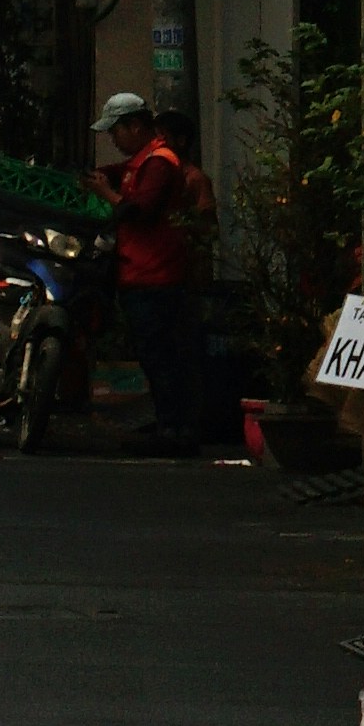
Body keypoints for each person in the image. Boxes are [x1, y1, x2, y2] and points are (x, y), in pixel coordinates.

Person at [98, 86, 211, 455]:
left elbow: (139, 211)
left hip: (156, 277)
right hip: (142, 275)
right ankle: (171, 426)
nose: (113, 140)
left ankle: (175, 430)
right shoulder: (144, 161)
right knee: (158, 356)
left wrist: (108, 195)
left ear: (134, 126)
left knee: (163, 358)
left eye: (115, 131)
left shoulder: (159, 162)